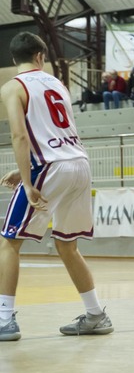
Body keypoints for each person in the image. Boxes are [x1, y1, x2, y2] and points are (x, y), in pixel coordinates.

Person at [0, 32, 113, 341]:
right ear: (40, 56)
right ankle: (96, 315)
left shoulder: (12, 87)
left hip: (49, 167)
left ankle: (4, 319)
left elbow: (20, 136)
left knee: (9, 242)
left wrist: (27, 181)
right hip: (78, 163)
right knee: (67, 244)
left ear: (14, 58)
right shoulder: (58, 84)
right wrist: (24, 169)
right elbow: (54, 133)